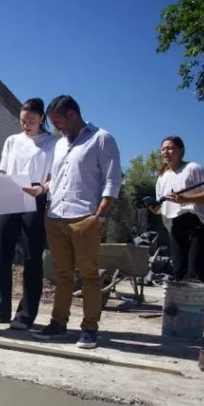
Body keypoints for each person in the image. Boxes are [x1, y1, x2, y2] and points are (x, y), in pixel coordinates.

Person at [32, 95, 122, 349]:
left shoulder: (101, 138)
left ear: (73, 114)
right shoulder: (60, 145)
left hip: (84, 218)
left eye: (60, 123)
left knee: (89, 275)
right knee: (62, 275)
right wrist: (43, 190)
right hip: (56, 217)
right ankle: (58, 324)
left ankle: (90, 329)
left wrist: (99, 216)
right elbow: (57, 178)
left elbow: (113, 180)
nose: (59, 129)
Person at [0, 98, 56, 330]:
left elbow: (54, 176)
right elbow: (4, 171)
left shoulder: (52, 143)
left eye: (31, 121)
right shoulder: (12, 141)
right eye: (23, 121)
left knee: (32, 256)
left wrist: (42, 189)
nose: (26, 125)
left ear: (41, 118)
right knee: (2, 253)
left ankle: (25, 315)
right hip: (9, 190)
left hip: (34, 193)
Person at [149, 136, 204, 324]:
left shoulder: (193, 168)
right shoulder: (162, 176)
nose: (166, 152)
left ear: (181, 150)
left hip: (198, 223)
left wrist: (186, 199)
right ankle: (185, 312)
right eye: (163, 149)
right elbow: (161, 204)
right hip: (175, 224)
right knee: (179, 268)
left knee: (197, 269)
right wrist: (155, 208)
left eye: (170, 148)